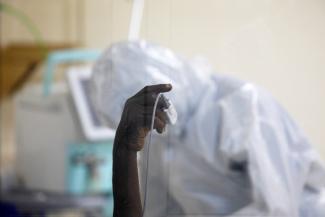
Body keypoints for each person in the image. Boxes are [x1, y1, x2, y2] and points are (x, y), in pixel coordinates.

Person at [91, 41, 325, 217]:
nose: (150, 127)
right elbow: (159, 210)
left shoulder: (241, 105)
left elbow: (278, 208)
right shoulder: (161, 137)